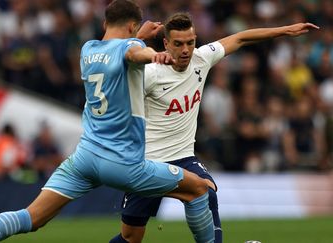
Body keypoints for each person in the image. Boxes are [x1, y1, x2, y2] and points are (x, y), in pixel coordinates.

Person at [0, 1, 216, 242]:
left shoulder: (88, 49)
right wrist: (153, 54)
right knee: (199, 189)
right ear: (133, 26)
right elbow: (134, 53)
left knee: (31, 216)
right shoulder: (133, 47)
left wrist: (138, 39)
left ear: (104, 23)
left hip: (85, 158)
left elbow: (119, 50)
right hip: (123, 163)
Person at [109, 12, 319, 243]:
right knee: (130, 238)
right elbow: (111, 74)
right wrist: (137, 37)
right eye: (178, 44)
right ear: (166, 44)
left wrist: (285, 30)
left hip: (183, 158)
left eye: (190, 42)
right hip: (148, 163)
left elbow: (239, 38)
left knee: (207, 192)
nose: (186, 50)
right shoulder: (150, 74)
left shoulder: (201, 58)